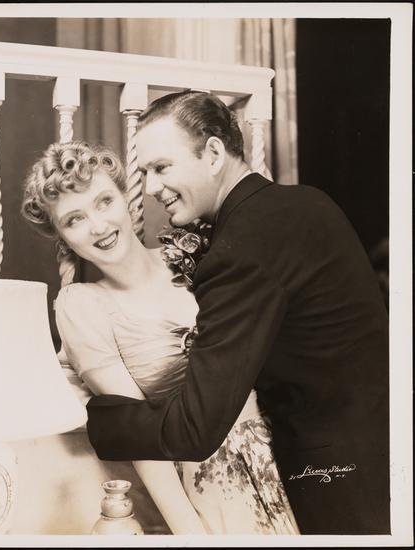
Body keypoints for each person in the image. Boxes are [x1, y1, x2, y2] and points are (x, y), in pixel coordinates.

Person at [84, 91, 390, 535]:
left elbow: (195, 429)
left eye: (161, 167)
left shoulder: (242, 248)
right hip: (383, 444)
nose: (149, 188)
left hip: (337, 480)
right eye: (145, 172)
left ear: (213, 153)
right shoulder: (308, 202)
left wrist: (94, 422)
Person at [21, 140, 299, 535]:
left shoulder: (198, 257)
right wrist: (189, 531)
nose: (98, 226)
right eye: (74, 219)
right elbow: (136, 434)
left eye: (104, 202)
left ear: (127, 201)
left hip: (287, 454)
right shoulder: (81, 306)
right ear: (63, 238)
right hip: (214, 482)